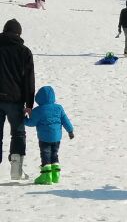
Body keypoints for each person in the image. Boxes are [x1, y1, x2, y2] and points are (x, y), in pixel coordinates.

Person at [0, 18, 35, 180]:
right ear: (18, 33)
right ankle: (16, 167)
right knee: (18, 133)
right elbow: (29, 80)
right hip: (15, 99)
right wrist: (29, 103)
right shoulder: (24, 52)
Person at [26, 85, 74, 184]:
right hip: (57, 137)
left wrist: (23, 118)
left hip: (44, 138)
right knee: (54, 154)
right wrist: (70, 131)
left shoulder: (38, 110)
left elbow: (31, 123)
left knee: (45, 155)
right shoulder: (59, 108)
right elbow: (65, 120)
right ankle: (55, 175)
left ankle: (46, 176)